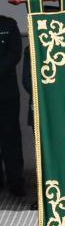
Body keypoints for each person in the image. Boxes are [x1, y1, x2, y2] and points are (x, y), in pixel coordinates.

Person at [0, 13, 24, 197]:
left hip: (6, 94)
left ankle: (16, 182)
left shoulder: (9, 25)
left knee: (11, 139)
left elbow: (15, 53)